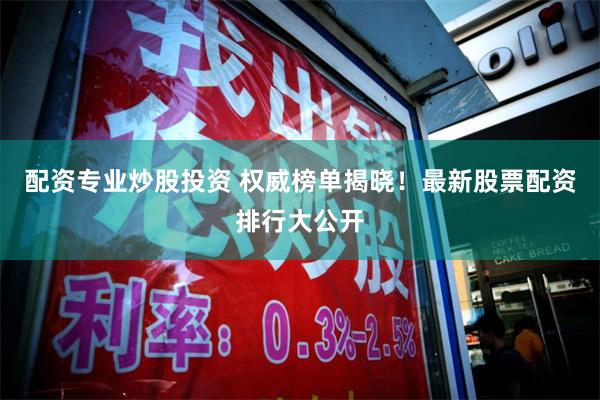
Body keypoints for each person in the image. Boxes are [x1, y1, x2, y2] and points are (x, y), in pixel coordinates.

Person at [475, 312, 548, 399]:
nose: (479, 338)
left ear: (490, 335)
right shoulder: (509, 354)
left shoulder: (505, 359)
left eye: (479, 333)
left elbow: (515, 390)